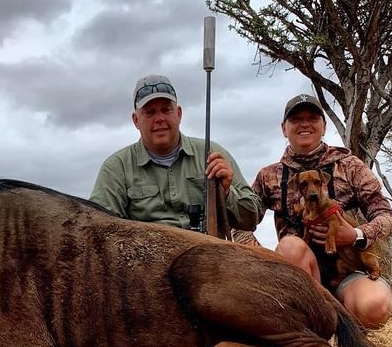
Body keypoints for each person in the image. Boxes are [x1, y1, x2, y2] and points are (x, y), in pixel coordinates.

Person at [234, 94, 392, 330]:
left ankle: (348, 338)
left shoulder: (349, 166)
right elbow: (240, 221)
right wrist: (264, 259)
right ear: (284, 128)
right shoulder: (268, 176)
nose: (305, 124)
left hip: (348, 272)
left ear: (323, 126)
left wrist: (356, 235)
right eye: (296, 119)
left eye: (312, 117)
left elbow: (388, 216)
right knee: (291, 247)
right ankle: (308, 334)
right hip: (299, 274)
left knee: (375, 307)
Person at [89, 74, 262, 232]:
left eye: (166, 110)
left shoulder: (212, 155)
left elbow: (252, 218)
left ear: (178, 114)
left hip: (208, 257)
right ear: (136, 120)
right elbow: (97, 229)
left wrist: (226, 192)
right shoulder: (116, 168)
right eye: (150, 112)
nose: (159, 119)